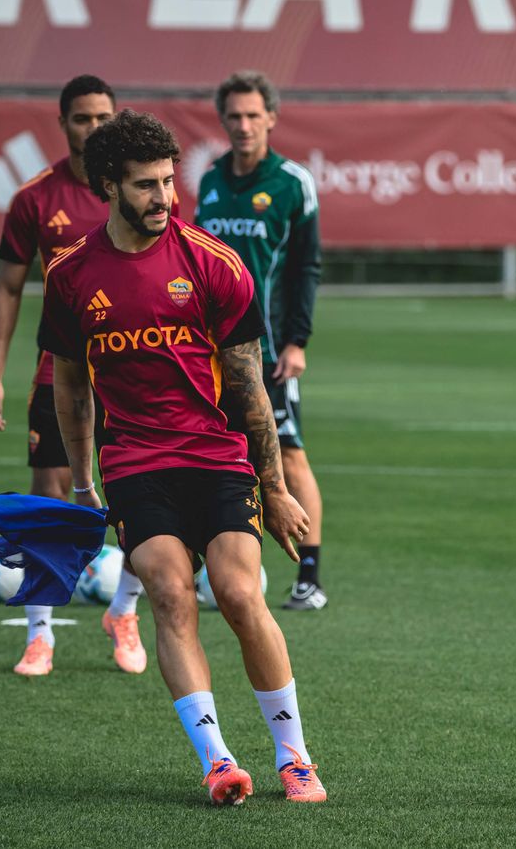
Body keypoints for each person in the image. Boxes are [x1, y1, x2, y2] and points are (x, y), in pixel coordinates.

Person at [40, 109, 325, 806]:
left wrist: (277, 484)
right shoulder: (71, 275)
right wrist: (82, 483)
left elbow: (250, 389)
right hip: (135, 464)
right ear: (109, 185)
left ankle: (295, 760)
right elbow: (71, 386)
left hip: (217, 458)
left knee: (237, 593)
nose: (163, 197)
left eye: (169, 181)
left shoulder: (213, 265)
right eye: (144, 185)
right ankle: (219, 761)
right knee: (169, 593)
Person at [0, 75, 151, 678]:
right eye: (83, 118)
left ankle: (123, 613)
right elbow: (7, 288)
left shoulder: (141, 190)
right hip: (58, 373)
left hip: (131, 372)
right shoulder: (34, 199)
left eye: (104, 115)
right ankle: (40, 634)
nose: (95, 126)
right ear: (64, 123)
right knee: (52, 496)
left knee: (141, 496)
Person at [197, 71, 327, 612]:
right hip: (206, 352)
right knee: (206, 453)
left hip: (269, 354)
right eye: (235, 116)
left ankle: (309, 578)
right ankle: (209, 564)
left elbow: (307, 268)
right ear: (223, 120)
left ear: (271, 118)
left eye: (254, 115)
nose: (244, 125)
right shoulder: (208, 181)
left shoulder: (293, 183)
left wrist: (297, 342)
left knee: (289, 456)